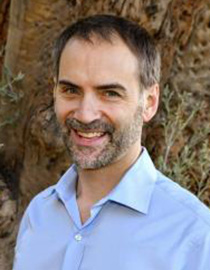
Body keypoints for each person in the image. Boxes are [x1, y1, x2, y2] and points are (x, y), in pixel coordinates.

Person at [13, 14, 210, 270]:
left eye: (110, 93)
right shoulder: (39, 214)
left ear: (149, 102)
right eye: (71, 90)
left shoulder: (194, 236)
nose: (85, 114)